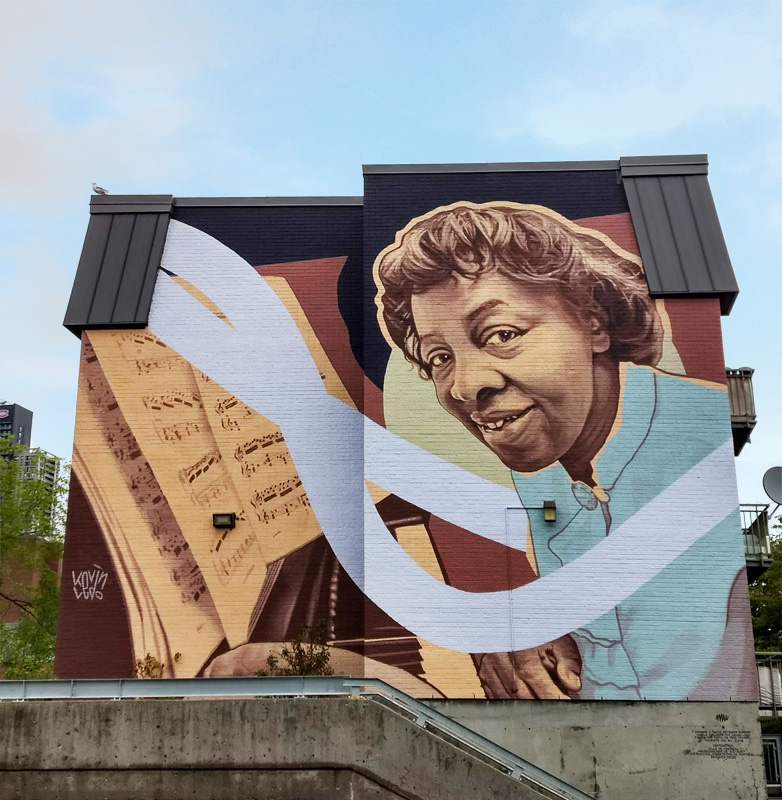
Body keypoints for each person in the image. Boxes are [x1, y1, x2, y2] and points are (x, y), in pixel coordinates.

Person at [374, 201, 751, 700]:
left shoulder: (694, 450)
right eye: (440, 357)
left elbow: (694, 687)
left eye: (502, 334)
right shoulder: (546, 453)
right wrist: (539, 634)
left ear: (593, 322)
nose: (464, 386)